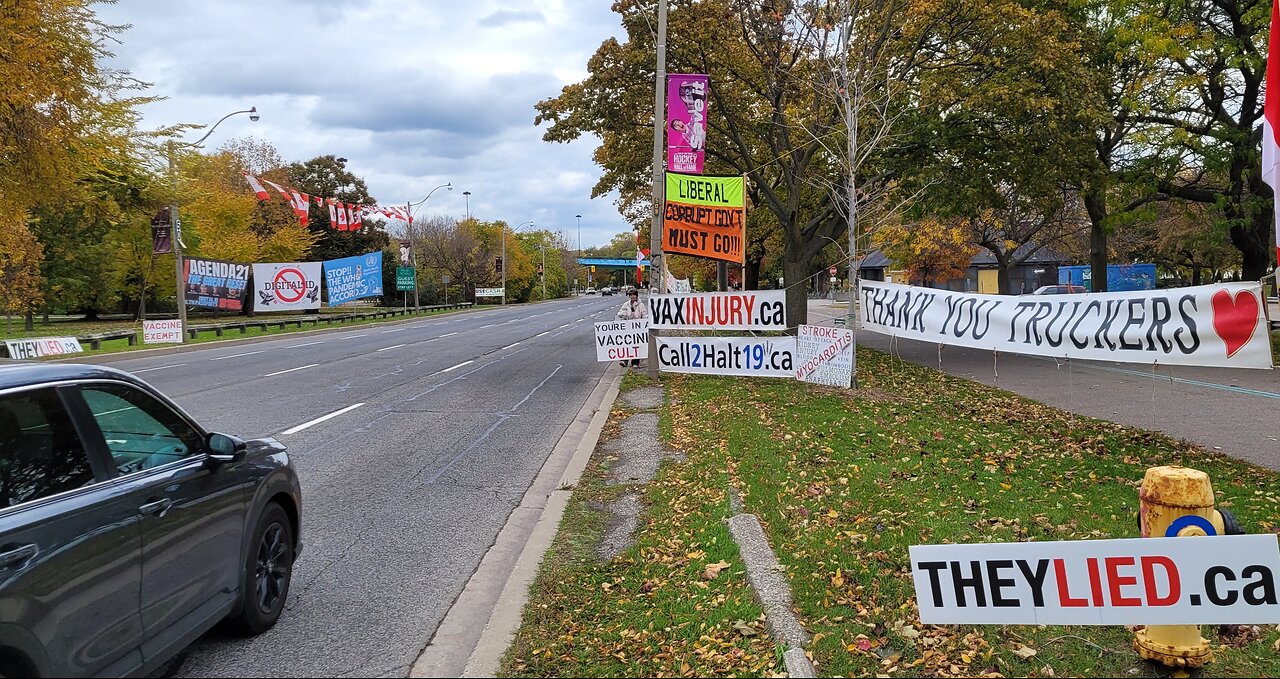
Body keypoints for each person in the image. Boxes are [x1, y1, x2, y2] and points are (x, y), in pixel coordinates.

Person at [615, 288, 648, 368]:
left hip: (638, 328)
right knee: (626, 344)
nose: (632, 296)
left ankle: (635, 362)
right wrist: (624, 315)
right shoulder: (626, 304)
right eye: (631, 295)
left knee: (636, 345)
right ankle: (624, 360)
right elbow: (620, 313)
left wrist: (645, 322)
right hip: (628, 328)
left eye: (634, 295)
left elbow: (644, 315)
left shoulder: (641, 305)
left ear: (637, 295)